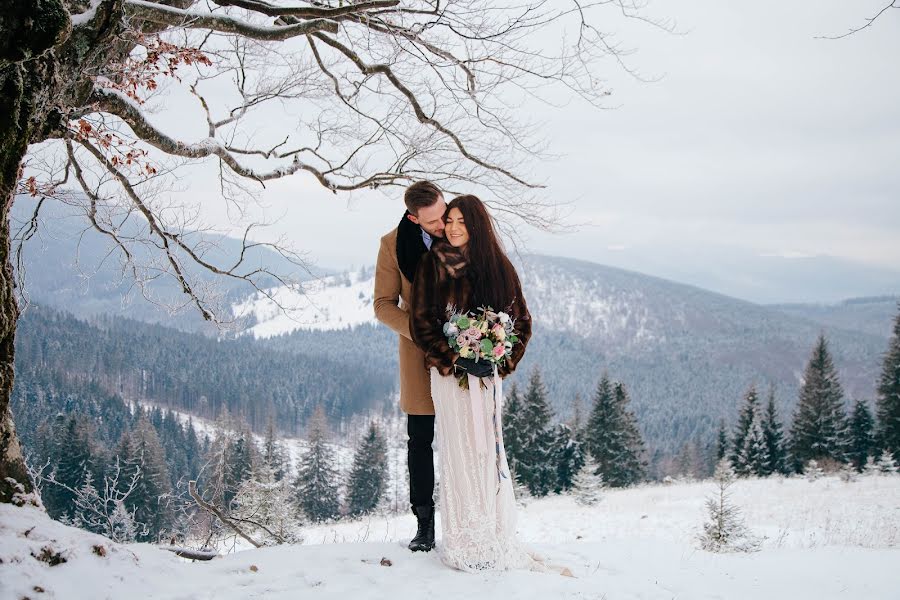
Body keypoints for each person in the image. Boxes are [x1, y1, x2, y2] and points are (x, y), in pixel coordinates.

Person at [409, 194, 545, 572]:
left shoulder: (499, 267)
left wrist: (501, 361)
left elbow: (522, 323)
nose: (452, 228)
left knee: (488, 453)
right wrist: (457, 358)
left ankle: (493, 531)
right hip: (451, 378)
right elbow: (421, 324)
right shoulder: (433, 264)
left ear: (476, 226)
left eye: (460, 222)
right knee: (461, 449)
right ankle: (469, 541)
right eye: (448, 221)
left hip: (487, 380)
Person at [373, 181, 447, 552]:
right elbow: (383, 304)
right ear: (413, 217)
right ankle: (424, 524)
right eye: (432, 221)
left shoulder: (461, 230)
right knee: (420, 440)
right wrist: (419, 330)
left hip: (466, 353)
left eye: (443, 214)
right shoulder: (392, 244)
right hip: (419, 356)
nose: (441, 224)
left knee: (473, 437)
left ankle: (473, 517)